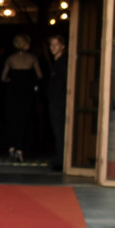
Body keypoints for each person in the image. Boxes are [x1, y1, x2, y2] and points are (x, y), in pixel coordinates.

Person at [0, 33, 42, 163]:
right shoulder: (32, 58)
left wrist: (11, 81)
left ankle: (11, 148)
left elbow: (3, 77)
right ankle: (20, 150)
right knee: (23, 121)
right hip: (26, 93)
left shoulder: (10, 59)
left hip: (13, 92)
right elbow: (40, 75)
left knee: (11, 120)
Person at [46, 34, 68, 171]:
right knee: (57, 130)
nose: (53, 47)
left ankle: (61, 159)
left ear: (63, 46)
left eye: (56, 45)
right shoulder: (57, 62)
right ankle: (60, 157)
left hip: (60, 101)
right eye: (51, 45)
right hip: (55, 101)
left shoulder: (63, 63)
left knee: (60, 130)